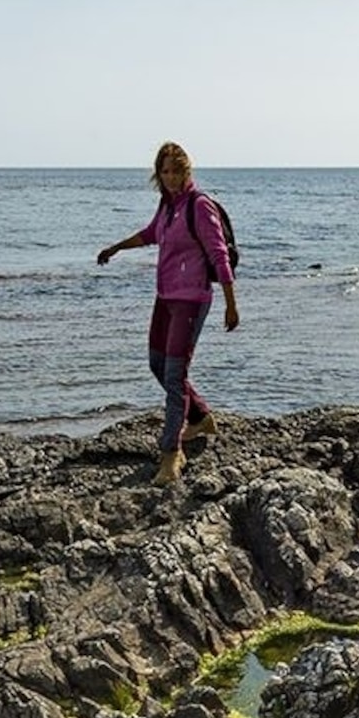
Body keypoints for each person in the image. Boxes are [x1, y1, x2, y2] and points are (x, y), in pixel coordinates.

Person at [95, 141, 240, 485]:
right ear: (158, 173)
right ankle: (201, 416)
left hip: (192, 300)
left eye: (177, 170)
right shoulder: (168, 205)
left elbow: (219, 255)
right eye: (165, 171)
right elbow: (151, 234)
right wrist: (116, 248)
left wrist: (231, 304)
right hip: (165, 298)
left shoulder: (199, 205)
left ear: (186, 171)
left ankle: (171, 457)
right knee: (157, 364)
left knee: (174, 376)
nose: (171, 177)